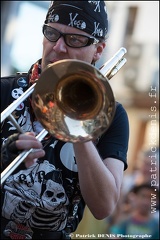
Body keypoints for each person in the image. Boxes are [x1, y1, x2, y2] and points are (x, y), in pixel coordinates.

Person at [1, 1, 129, 239]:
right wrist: (5, 154)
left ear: (98, 50)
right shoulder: (3, 91)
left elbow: (104, 206)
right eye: (51, 33)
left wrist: (79, 121)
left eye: (75, 40)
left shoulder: (113, 115)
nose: (58, 47)